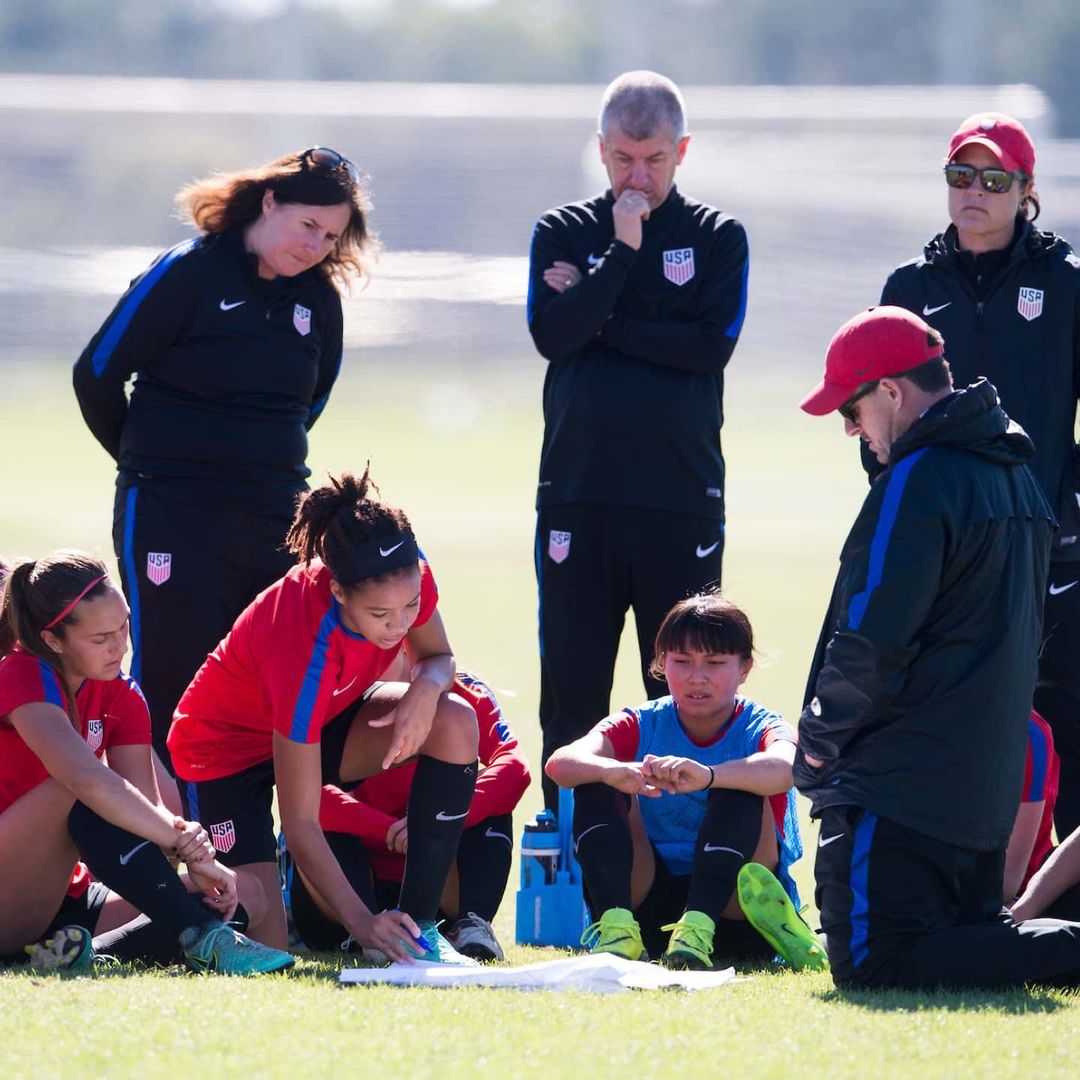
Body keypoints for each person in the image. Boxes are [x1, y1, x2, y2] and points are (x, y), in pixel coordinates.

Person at [796, 304, 1080, 990]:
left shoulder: (920, 477)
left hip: (904, 791)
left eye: (853, 407)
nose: (849, 428)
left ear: (891, 392)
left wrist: (818, 737)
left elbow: (871, 636)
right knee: (964, 943)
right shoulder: (1016, 474)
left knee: (873, 963)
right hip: (979, 796)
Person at [73, 147, 376, 775]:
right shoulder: (189, 273)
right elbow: (96, 373)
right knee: (171, 681)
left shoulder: (318, 303)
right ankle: (166, 856)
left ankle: (251, 849)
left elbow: (308, 403)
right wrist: (149, 461)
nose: (317, 245)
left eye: (331, 234)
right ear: (269, 202)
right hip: (171, 513)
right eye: (307, 225)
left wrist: (254, 466)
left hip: (274, 520)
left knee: (272, 686)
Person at [527, 71, 749, 807]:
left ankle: (678, 855)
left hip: (678, 495)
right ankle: (569, 855)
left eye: (653, 159)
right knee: (573, 681)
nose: (637, 175)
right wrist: (622, 254)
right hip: (578, 493)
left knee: (690, 687)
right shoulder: (561, 231)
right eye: (623, 158)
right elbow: (553, 335)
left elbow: (706, 349)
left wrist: (602, 308)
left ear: (682, 150)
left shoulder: (718, 238)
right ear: (601, 150)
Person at [167, 469, 480, 963]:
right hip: (223, 751)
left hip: (319, 720)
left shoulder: (406, 571)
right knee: (258, 940)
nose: (400, 624)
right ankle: (108, 917)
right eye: (381, 615)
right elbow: (301, 819)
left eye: (410, 607)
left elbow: (438, 657)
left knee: (455, 721)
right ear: (338, 592)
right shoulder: (302, 642)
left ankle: (418, 930)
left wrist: (427, 686)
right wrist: (362, 923)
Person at [879, 113, 1080, 837]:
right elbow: (877, 410)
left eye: (994, 179)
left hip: (1045, 548)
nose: (975, 191)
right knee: (952, 726)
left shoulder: (1065, 286)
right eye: (960, 175)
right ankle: (955, 905)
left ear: (1025, 191)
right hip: (941, 549)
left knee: (1064, 726)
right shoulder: (909, 284)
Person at [0, 551, 293, 975]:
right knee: (79, 783)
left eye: (124, 628)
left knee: (243, 893)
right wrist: (183, 843)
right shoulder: (22, 673)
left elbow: (147, 824)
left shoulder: (121, 693)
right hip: (11, 895)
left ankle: (83, 952)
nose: (121, 647)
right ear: (52, 641)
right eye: (101, 639)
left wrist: (191, 848)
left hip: (62, 899)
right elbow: (86, 779)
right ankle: (202, 936)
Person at [545, 591, 823, 972]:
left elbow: (787, 766)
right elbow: (561, 763)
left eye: (715, 662)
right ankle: (617, 931)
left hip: (733, 915)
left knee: (738, 787)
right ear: (661, 663)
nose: (697, 677)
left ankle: (699, 929)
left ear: (745, 669)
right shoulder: (644, 720)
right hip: (651, 914)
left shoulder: (761, 723)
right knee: (594, 781)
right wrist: (613, 771)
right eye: (681, 661)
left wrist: (709, 777)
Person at [287, 668, 530, 962]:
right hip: (354, 891)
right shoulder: (335, 688)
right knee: (313, 818)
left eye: (410, 624)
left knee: (493, 806)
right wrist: (391, 829)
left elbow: (515, 767)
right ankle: (366, 935)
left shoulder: (465, 690)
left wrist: (436, 823)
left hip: (435, 884)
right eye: (380, 619)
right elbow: (302, 794)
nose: (394, 630)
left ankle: (470, 926)